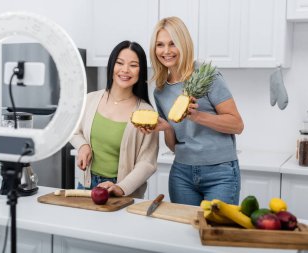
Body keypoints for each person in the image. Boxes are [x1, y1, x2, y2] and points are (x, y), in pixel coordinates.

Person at [140, 17, 244, 205]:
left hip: (220, 173)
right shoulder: (160, 91)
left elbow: (237, 124)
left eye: (172, 44)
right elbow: (174, 146)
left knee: (215, 232)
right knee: (185, 232)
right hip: (182, 174)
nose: (166, 51)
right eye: (160, 45)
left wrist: (198, 116)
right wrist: (167, 128)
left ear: (184, 43)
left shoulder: (206, 75)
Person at [70, 40, 159, 198]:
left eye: (133, 65)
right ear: (112, 66)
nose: (125, 70)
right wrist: (83, 146)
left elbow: (147, 162)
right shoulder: (90, 100)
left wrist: (121, 187)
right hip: (85, 186)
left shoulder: (146, 113)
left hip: (121, 192)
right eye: (120, 63)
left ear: (141, 71)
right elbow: (73, 131)